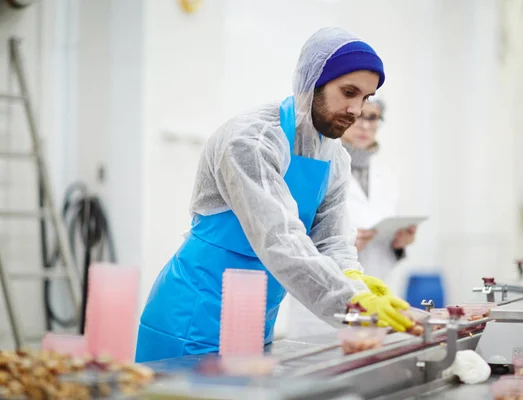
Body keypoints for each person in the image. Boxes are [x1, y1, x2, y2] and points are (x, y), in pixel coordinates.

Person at [135, 27, 414, 363]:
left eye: (366, 98)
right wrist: (352, 303)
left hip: (253, 319)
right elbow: (278, 238)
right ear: (313, 83)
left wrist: (354, 280)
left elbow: (332, 242)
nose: (356, 110)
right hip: (192, 316)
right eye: (349, 92)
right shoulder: (251, 141)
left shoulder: (334, 156)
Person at [286, 98, 417, 338]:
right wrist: (342, 245)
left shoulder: (386, 177)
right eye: (359, 116)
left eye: (373, 117)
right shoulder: (319, 167)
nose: (365, 126)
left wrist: (399, 245)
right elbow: (292, 236)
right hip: (326, 305)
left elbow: (388, 245)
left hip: (379, 296)